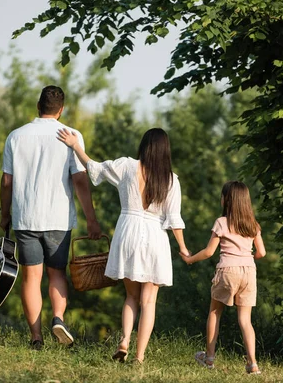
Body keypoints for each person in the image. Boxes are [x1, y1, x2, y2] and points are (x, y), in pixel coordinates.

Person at [57, 127, 189, 363]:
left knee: (131, 296)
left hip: (127, 230)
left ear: (144, 146)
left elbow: (94, 168)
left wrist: (76, 145)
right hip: (155, 237)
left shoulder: (128, 166)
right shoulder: (171, 180)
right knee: (149, 301)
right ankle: (139, 357)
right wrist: (183, 247)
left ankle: (124, 341)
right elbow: (174, 219)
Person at [0, 85, 101, 350]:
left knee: (31, 278)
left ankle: (36, 337)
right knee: (57, 274)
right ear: (61, 109)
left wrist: (4, 215)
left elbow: (7, 181)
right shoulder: (70, 135)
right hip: (58, 218)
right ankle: (58, 318)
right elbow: (79, 180)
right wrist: (91, 219)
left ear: (38, 106)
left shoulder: (16, 136)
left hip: (25, 218)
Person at [180, 181, 266, 375]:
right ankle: (253, 364)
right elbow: (262, 252)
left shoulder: (222, 222)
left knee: (214, 313)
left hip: (228, 271)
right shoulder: (253, 224)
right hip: (249, 272)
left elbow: (209, 252)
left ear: (227, 200)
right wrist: (246, 258)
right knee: (245, 320)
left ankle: (209, 358)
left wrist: (190, 259)